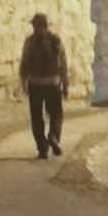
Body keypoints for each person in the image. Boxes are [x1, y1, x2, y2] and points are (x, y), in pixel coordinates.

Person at [19, 13, 68, 159]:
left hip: (35, 83)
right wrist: (65, 84)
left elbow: (24, 63)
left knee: (36, 116)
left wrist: (23, 81)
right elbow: (63, 64)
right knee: (56, 113)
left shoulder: (29, 42)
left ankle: (42, 146)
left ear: (34, 26)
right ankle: (53, 136)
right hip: (52, 82)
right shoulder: (56, 41)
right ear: (47, 25)